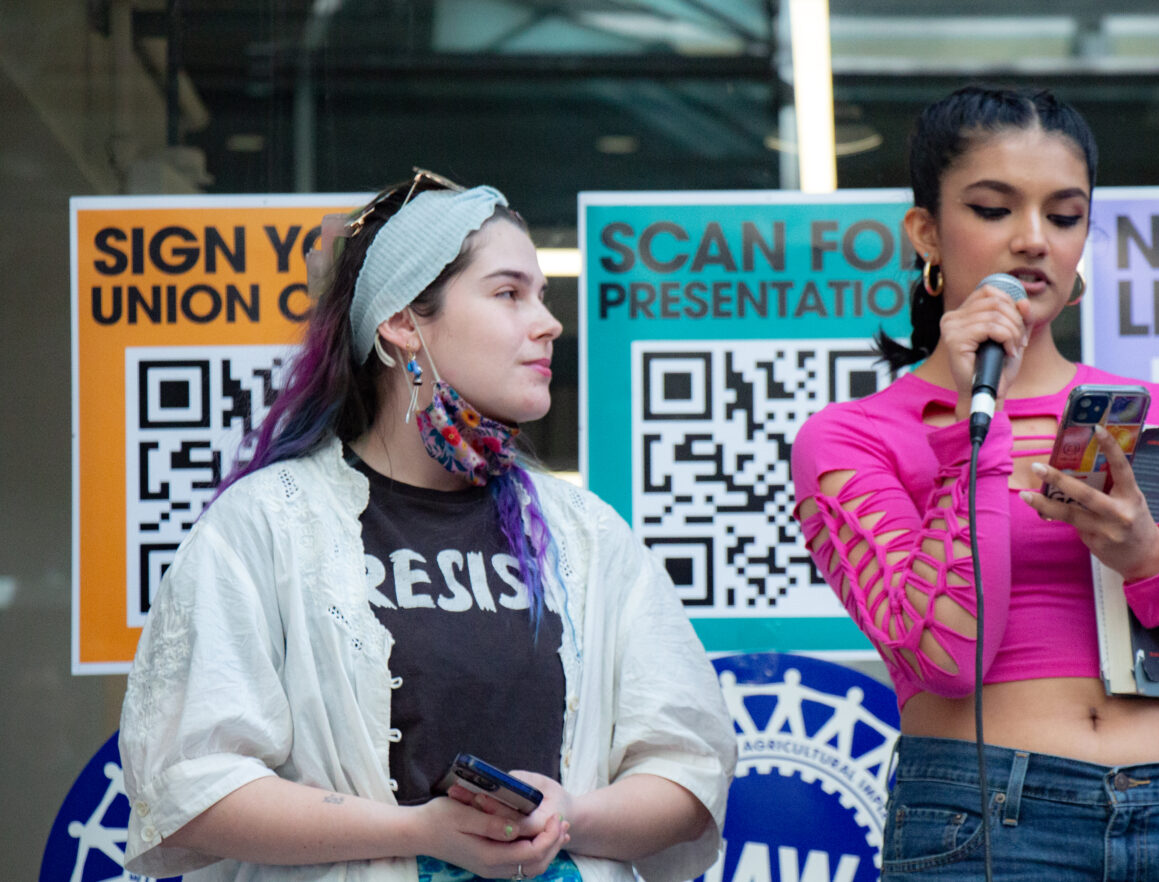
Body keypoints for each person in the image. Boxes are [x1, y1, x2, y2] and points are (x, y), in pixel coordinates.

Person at [120, 171, 737, 882]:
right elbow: (189, 786)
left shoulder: (584, 533)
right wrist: (419, 832)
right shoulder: (267, 524)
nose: (548, 321)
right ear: (404, 321)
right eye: (510, 293)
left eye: (539, 293)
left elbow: (690, 769)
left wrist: (568, 813)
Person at [790, 86, 1159, 880]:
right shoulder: (854, 436)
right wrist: (982, 425)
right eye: (994, 209)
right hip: (991, 820)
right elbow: (946, 656)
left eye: (1065, 215)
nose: (1033, 240)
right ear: (927, 232)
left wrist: (1153, 560)